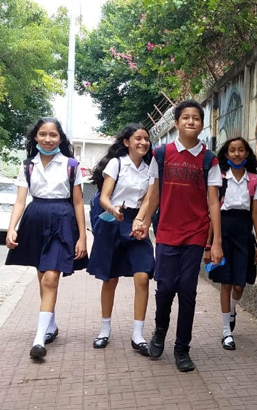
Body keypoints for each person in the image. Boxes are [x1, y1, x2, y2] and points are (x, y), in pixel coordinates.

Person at [133, 99, 223, 373]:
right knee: (165, 289)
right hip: (167, 233)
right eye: (186, 117)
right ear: (176, 123)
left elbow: (213, 203)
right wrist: (141, 220)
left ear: (202, 123)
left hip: (195, 235)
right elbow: (153, 195)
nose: (191, 122)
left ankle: (182, 348)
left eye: (196, 118)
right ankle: (160, 332)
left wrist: (216, 241)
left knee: (188, 292)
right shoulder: (161, 154)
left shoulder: (210, 160)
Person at [5, 117, 87, 359]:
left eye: (53, 135)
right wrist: (12, 228)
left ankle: (39, 340)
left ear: (60, 138)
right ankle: (50, 325)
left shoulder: (71, 165)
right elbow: (20, 200)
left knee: (51, 278)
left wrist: (83, 237)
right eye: (43, 134)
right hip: (35, 219)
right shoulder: (27, 166)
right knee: (43, 277)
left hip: (62, 220)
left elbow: (79, 202)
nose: (48, 139)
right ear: (35, 137)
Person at [86, 124, 155, 354]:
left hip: (137, 222)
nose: (143, 142)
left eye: (146, 138)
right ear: (126, 142)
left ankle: (138, 334)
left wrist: (142, 220)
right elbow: (104, 197)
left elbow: (147, 199)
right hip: (114, 219)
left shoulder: (150, 168)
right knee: (110, 279)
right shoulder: (116, 163)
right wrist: (113, 210)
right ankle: (104, 329)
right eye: (138, 138)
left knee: (143, 276)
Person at [207, 137, 257, 350]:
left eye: (241, 150)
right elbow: (213, 213)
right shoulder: (220, 179)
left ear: (247, 153)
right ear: (226, 154)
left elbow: (256, 215)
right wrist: (209, 244)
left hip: (243, 234)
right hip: (223, 232)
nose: (237, 153)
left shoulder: (254, 180)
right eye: (232, 150)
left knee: (239, 286)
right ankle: (226, 332)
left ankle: (232, 308)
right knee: (226, 282)